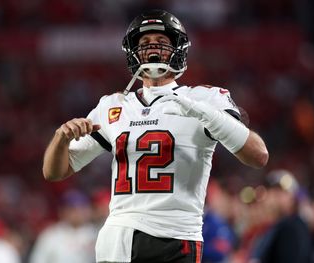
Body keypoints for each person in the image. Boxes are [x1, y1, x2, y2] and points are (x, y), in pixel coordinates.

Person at [42, 9, 269, 263]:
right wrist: (61, 138)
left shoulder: (204, 98)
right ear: (132, 52)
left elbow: (258, 155)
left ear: (178, 49)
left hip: (174, 236)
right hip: (118, 237)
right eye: (145, 43)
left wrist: (206, 113)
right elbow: (55, 171)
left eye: (162, 43)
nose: (153, 50)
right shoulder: (113, 106)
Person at [248, 169, 314, 263]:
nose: (275, 198)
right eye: (273, 192)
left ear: (293, 198)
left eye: (281, 193)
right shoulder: (276, 226)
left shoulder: (292, 227)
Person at [29, 189, 97, 263]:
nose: (78, 213)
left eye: (82, 208)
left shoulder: (96, 233)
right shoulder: (50, 235)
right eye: (72, 209)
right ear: (62, 211)